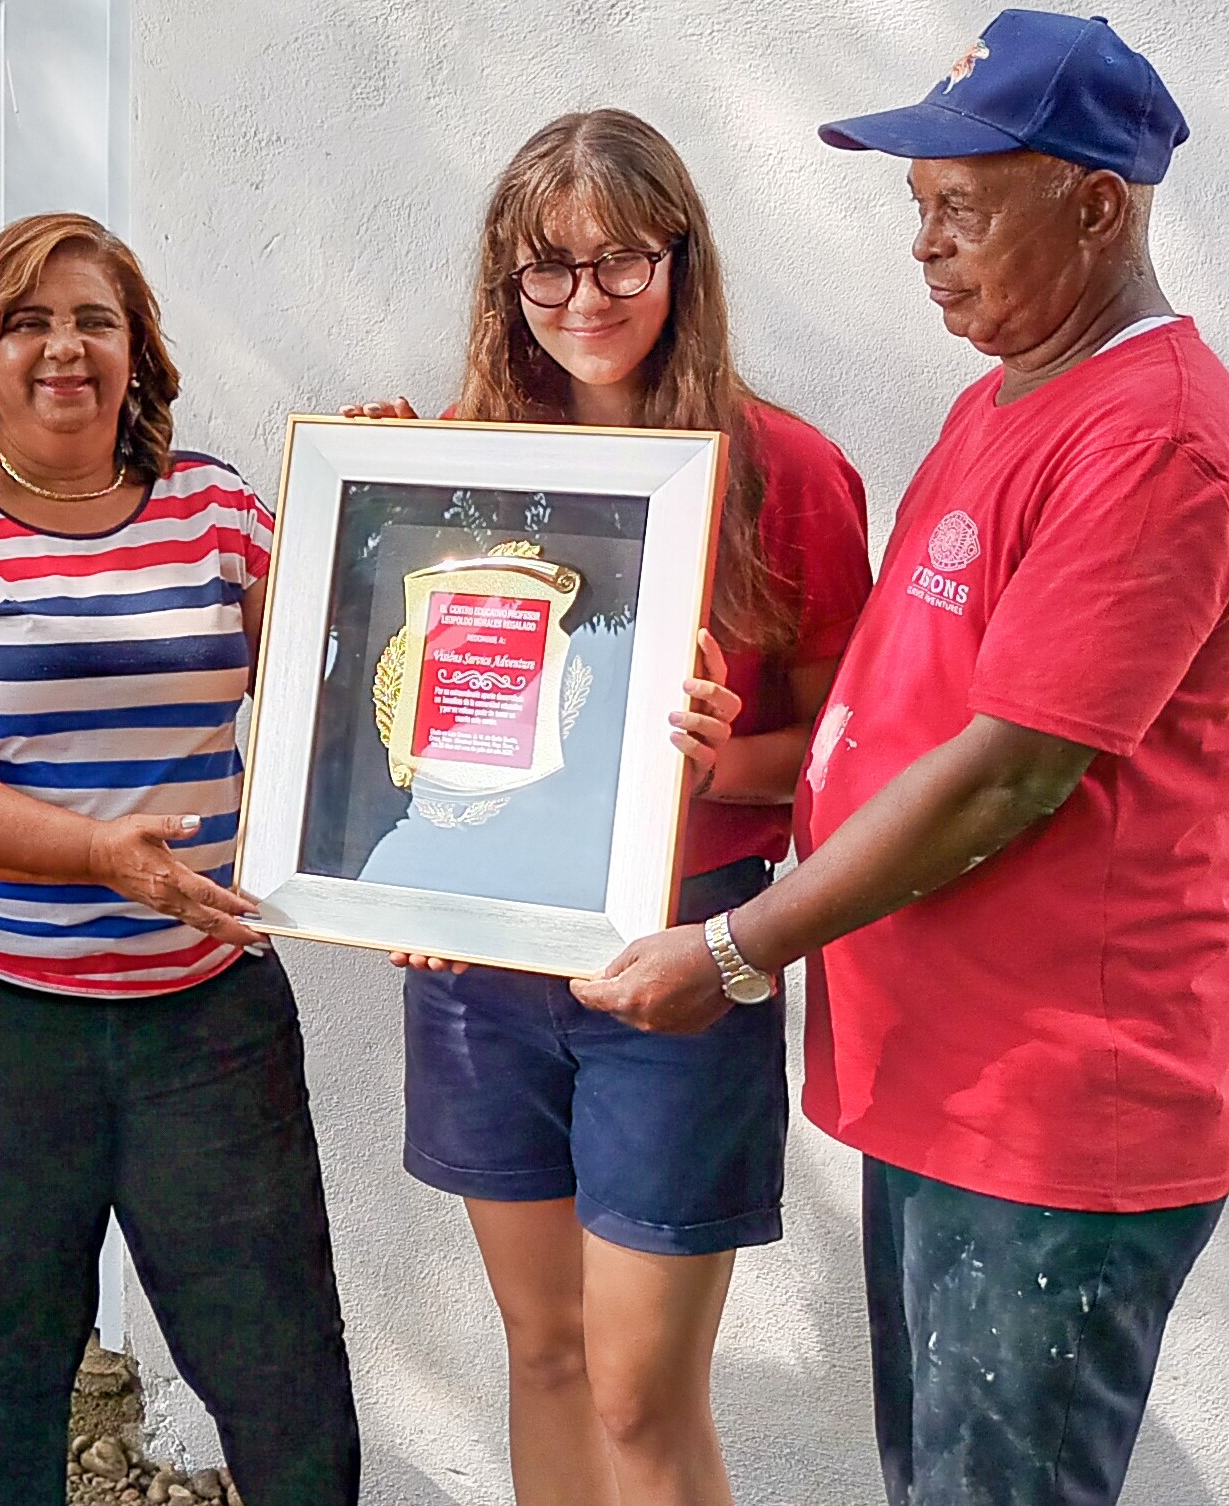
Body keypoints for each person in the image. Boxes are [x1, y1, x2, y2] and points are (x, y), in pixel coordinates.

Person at [575, 12, 1229, 1506]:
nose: (925, 245)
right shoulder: (1010, 398)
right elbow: (908, 717)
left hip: (1050, 1109)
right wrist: (727, 768)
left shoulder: (1149, 443)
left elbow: (1013, 773)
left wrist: (738, 950)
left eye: (962, 206)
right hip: (956, 1086)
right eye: (918, 208)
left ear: (1097, 201)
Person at [343, 108, 873, 1506]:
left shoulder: (791, 471)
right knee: (546, 1352)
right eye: (548, 271)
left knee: (642, 1389)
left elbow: (852, 754)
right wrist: (392, 877)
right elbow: (394, 732)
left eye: (622, 264)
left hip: (683, 955)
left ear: (680, 265)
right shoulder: (449, 465)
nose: (586, 301)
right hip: (480, 957)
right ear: (506, 286)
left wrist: (724, 764)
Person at [0, 212, 360, 1506]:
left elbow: (355, 676)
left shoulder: (221, 509)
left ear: (138, 354)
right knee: (15, 1358)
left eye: (95, 322)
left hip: (204, 1014)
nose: (63, 349)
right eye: (28, 322)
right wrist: (90, 854)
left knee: (284, 1375)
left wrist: (400, 490)